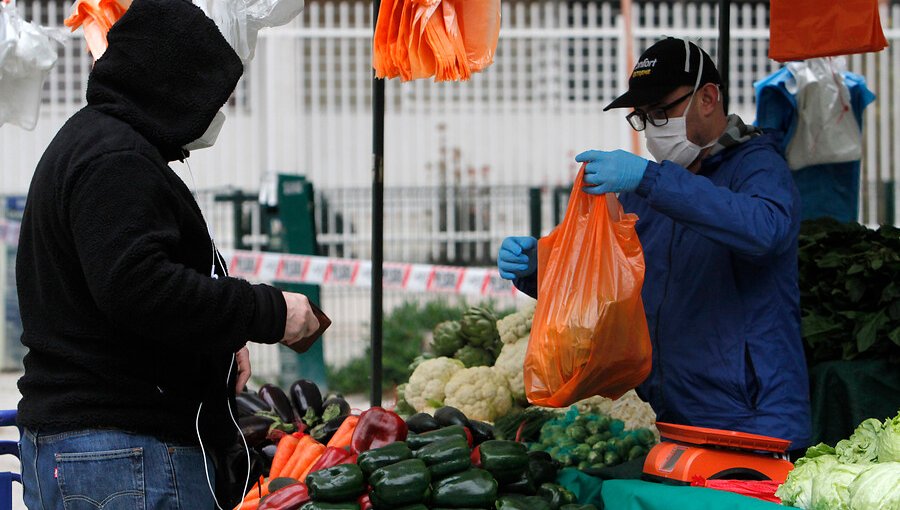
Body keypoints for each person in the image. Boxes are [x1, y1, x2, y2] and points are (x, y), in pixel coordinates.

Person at [15, 0, 320, 508]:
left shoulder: (97, 141)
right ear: (175, 82)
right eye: (210, 93)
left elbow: (130, 286)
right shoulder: (117, 159)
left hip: (101, 450)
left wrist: (219, 337)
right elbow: (141, 288)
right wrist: (269, 312)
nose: (214, 111)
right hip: (119, 454)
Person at [499, 37, 812, 451]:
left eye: (662, 111)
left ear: (708, 97)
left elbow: (766, 230)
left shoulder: (758, 166)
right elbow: (606, 288)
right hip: (662, 418)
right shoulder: (647, 189)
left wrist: (651, 180)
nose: (653, 127)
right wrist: (537, 269)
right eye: (643, 117)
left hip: (750, 418)